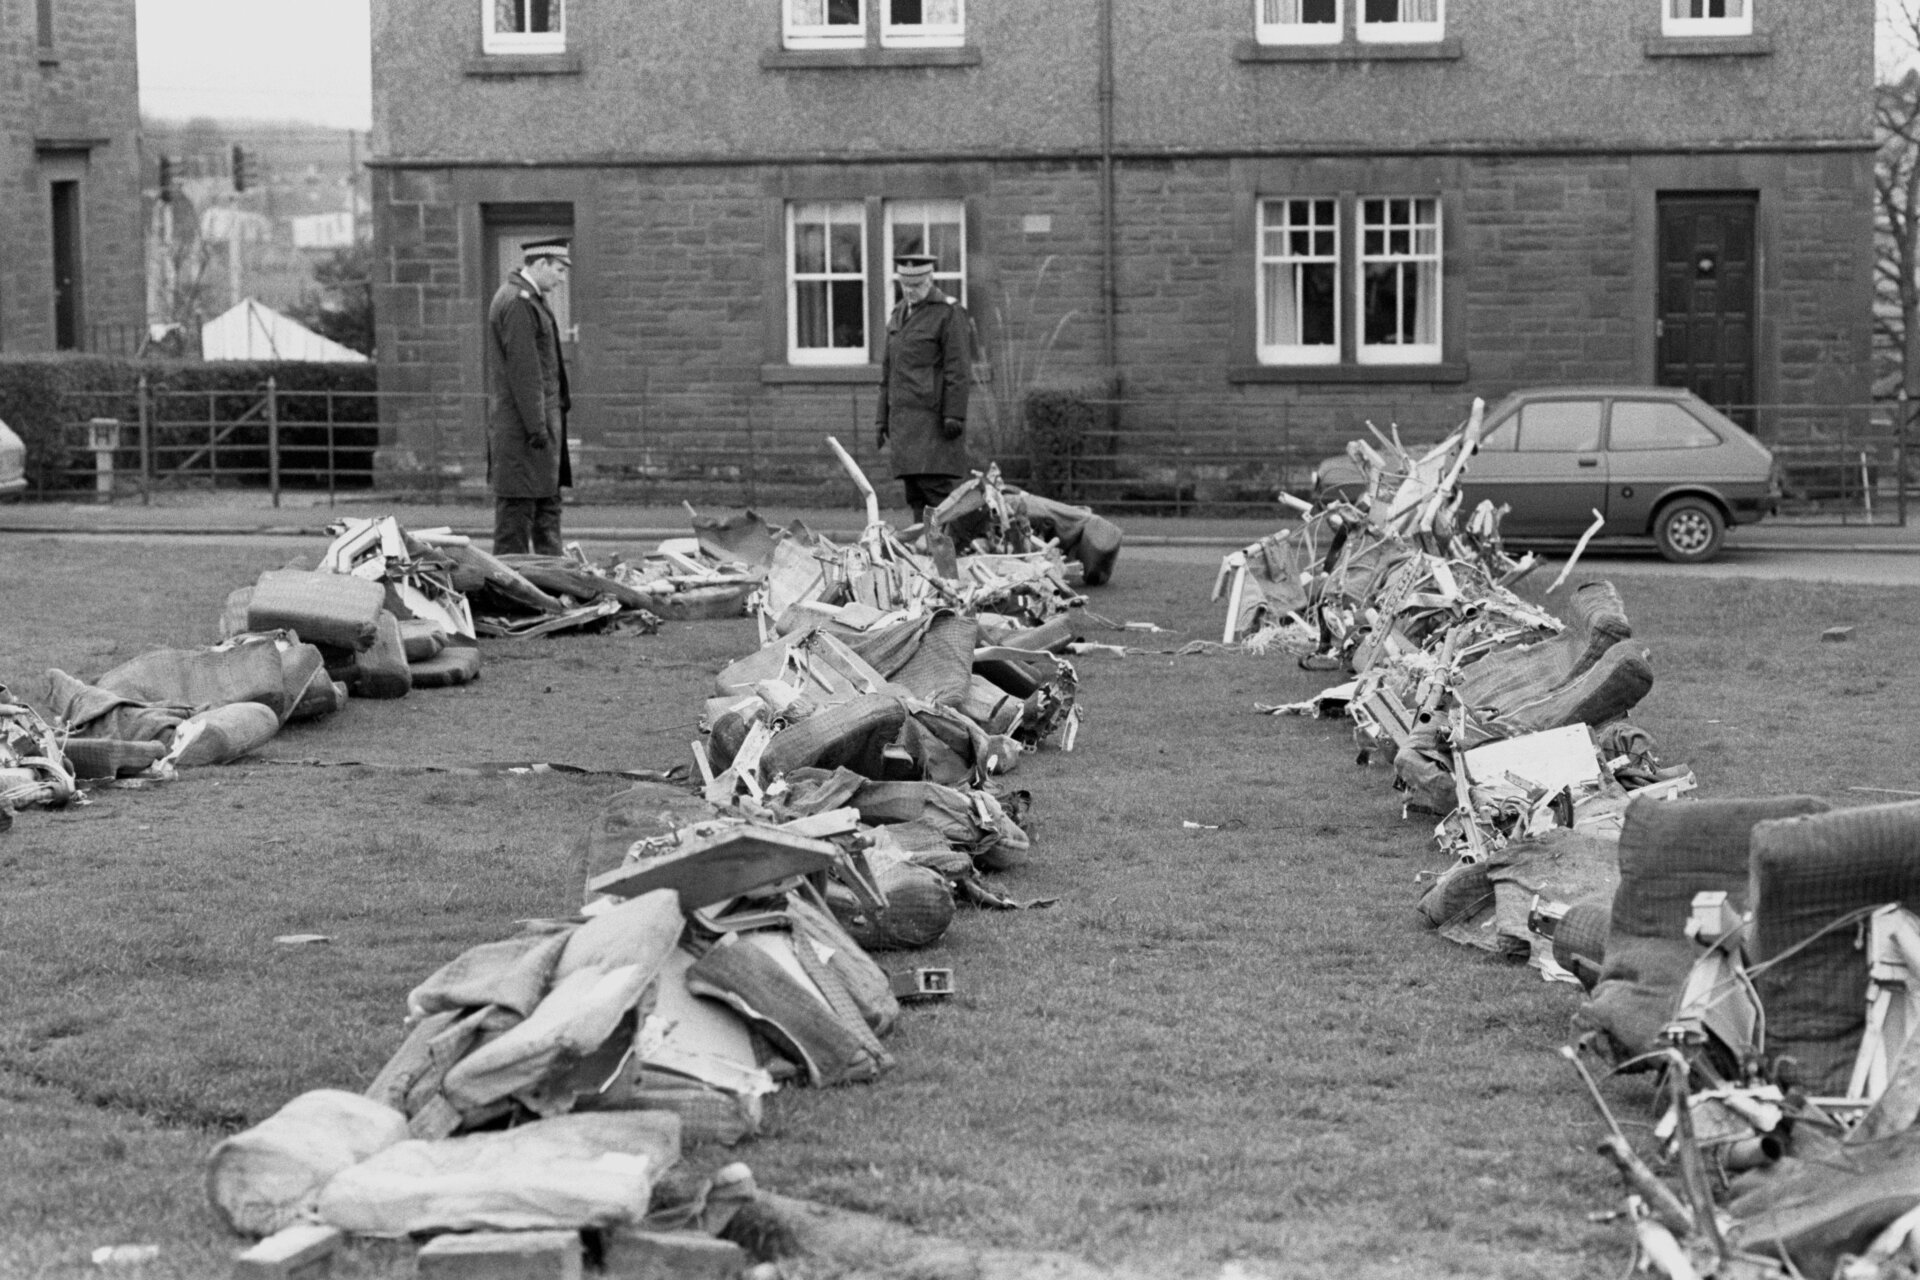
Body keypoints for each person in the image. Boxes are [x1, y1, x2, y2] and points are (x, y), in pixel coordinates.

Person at [486, 237, 574, 555]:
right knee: (516, 522)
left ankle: (554, 585)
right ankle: (511, 599)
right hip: (527, 432)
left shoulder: (526, 299)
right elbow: (525, 373)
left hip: (534, 429)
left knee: (545, 510)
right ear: (540, 264)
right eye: (559, 270)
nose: (562, 278)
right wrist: (538, 427)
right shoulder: (519, 302)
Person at [875, 252, 972, 528]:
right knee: (916, 493)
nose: (910, 291)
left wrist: (955, 414)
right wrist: (881, 419)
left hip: (933, 423)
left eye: (916, 285)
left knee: (938, 495)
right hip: (904, 423)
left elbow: (958, 368)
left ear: (930, 280)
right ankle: (925, 552)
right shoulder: (897, 314)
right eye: (905, 285)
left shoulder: (948, 313)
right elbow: (888, 373)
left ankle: (947, 554)